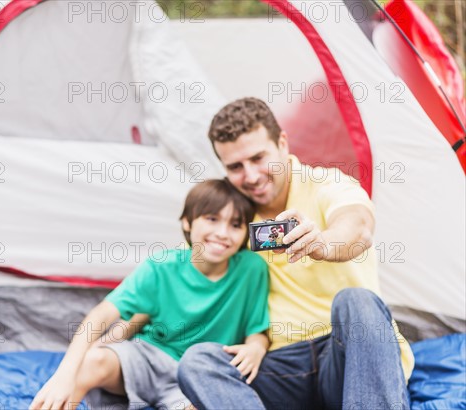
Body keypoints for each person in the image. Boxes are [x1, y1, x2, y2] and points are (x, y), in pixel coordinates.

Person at [178, 98, 415, 409]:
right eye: (235, 167)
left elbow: (358, 227)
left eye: (258, 158)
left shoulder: (327, 184)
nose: (250, 176)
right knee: (198, 362)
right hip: (279, 366)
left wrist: (323, 244)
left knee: (356, 301)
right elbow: (184, 286)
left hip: (346, 355)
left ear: (282, 143)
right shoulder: (228, 218)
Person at [30, 179, 271, 410]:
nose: (222, 233)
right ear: (188, 222)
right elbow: (101, 314)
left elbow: (257, 331)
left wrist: (256, 348)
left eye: (236, 225)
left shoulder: (251, 269)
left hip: (195, 374)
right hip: (148, 358)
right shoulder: (161, 266)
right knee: (91, 363)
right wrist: (64, 375)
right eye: (212, 219)